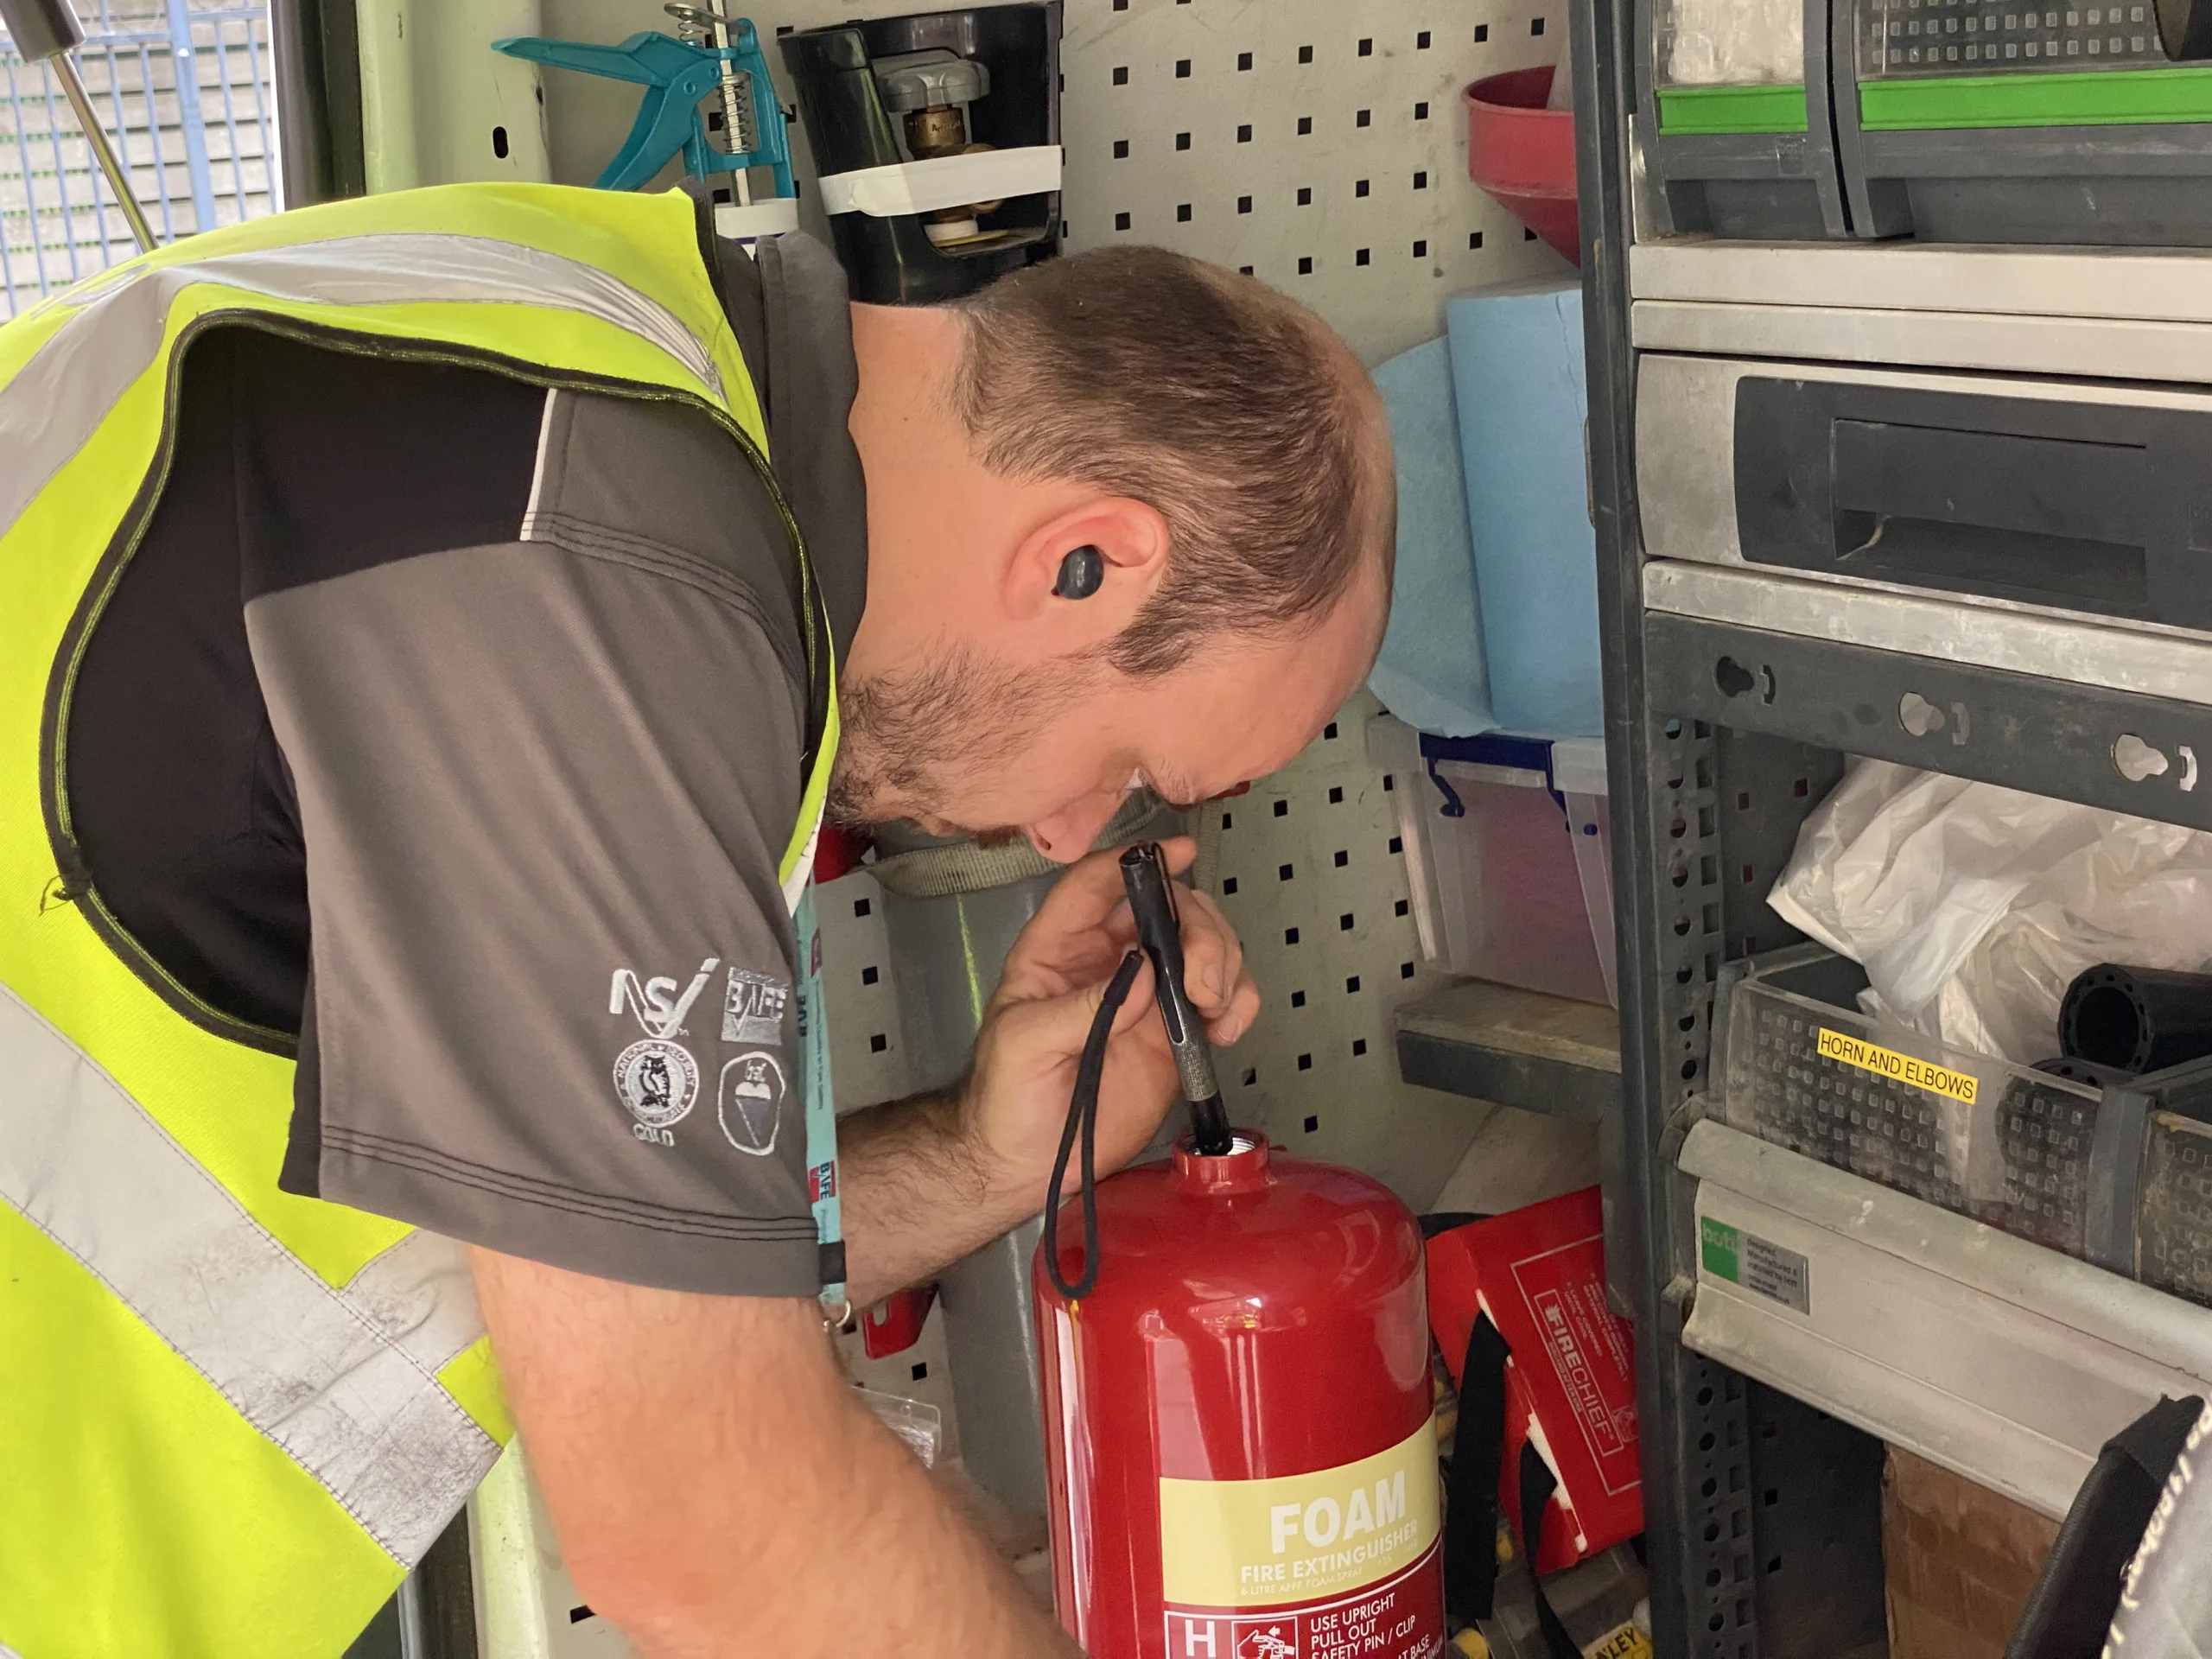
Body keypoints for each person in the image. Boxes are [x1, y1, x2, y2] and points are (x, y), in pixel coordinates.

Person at [0, 180, 1393, 1657]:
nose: (1064, 837)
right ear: (1085, 559)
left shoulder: (618, 367)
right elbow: (712, 1525)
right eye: (1130, 770)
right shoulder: (587, 557)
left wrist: (992, 1153)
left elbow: (594, 1262)